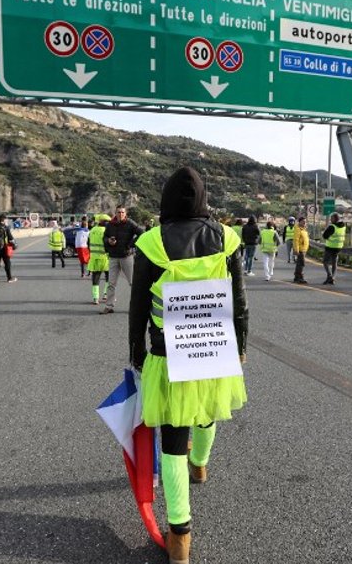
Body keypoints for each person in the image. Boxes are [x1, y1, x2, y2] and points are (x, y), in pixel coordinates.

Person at [129, 166, 248, 564]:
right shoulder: (227, 238)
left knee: (172, 440)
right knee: (207, 410)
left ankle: (180, 536)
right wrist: (241, 346)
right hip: (214, 345)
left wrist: (136, 351)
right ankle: (202, 465)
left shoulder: (150, 241)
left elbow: (138, 307)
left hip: (166, 351)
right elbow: (240, 302)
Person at [102, 205, 144, 314]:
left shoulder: (130, 223)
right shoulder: (110, 224)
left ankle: (136, 307)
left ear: (125, 214)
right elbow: (104, 237)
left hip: (127, 256)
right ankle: (109, 306)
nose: (120, 214)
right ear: (115, 213)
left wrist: (131, 244)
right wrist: (109, 241)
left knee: (133, 283)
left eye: (122, 212)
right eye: (118, 212)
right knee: (111, 284)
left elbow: (142, 233)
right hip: (113, 257)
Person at [88, 214, 111, 304]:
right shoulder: (107, 231)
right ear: (103, 222)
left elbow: (88, 243)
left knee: (96, 278)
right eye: (107, 222)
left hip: (94, 258)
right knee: (109, 277)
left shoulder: (92, 230)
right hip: (106, 257)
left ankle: (95, 298)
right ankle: (106, 295)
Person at [321, 212, 346, 285]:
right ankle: (333, 278)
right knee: (334, 263)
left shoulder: (332, 227)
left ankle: (329, 276)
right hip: (338, 247)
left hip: (330, 247)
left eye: (331, 218)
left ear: (335, 219)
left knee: (325, 262)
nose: (330, 220)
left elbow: (325, 236)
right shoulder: (343, 226)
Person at [292, 216, 309, 284]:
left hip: (304, 249)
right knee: (301, 264)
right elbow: (296, 240)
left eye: (305, 222)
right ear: (300, 222)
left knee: (299, 264)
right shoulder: (298, 229)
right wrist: (296, 250)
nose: (304, 223)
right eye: (303, 222)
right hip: (300, 249)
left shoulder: (303, 229)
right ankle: (300, 277)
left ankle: (297, 277)